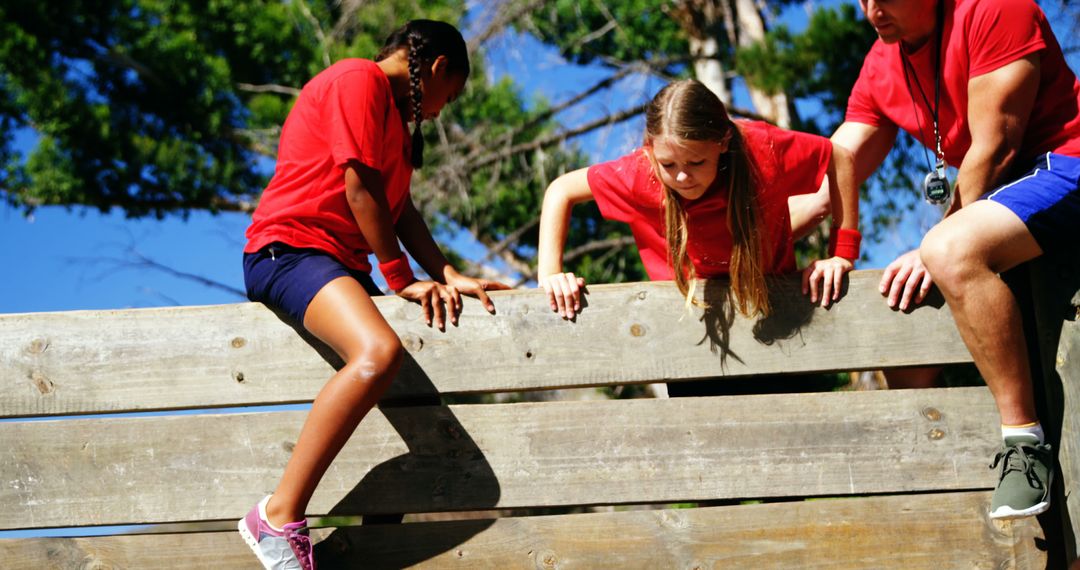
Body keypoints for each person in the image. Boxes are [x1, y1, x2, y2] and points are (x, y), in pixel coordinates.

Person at [237, 20, 509, 569]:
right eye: (447, 97)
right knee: (377, 353)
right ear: (437, 69)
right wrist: (400, 277)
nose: (437, 112)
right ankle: (277, 516)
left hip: (337, 266)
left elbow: (399, 207)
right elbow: (358, 185)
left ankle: (367, 549)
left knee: (424, 425)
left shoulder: (391, 118)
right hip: (289, 251)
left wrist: (446, 270)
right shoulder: (356, 80)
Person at [833, 0, 1080, 519]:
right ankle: (930, 498)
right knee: (907, 332)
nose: (871, 9)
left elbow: (997, 148)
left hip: (1065, 163)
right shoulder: (882, 62)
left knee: (947, 251)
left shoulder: (996, 9)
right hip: (997, 202)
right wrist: (752, 232)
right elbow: (836, 168)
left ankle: (1025, 447)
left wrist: (942, 237)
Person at [537, 78, 860, 333]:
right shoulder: (641, 174)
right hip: (689, 319)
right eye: (668, 164)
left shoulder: (761, 151)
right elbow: (561, 189)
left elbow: (839, 158)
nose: (681, 176)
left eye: (696, 161)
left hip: (775, 308)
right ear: (650, 150)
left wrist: (841, 254)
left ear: (722, 143)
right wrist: (550, 274)